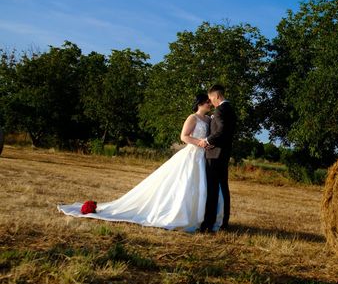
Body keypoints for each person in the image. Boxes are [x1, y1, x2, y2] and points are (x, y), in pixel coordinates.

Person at [57, 94, 223, 232]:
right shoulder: (192, 118)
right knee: (185, 184)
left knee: (201, 186)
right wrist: (199, 142)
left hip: (205, 156)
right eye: (208, 102)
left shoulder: (209, 119)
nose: (210, 104)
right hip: (192, 154)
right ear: (201, 103)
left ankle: (201, 218)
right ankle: (181, 216)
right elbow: (184, 137)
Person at [199, 84, 237, 232]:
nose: (210, 102)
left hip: (215, 155)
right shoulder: (230, 109)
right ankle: (223, 223)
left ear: (216, 96)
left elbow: (221, 131)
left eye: (210, 98)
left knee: (213, 190)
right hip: (224, 154)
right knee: (223, 189)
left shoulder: (220, 110)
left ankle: (208, 224)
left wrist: (207, 141)